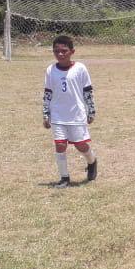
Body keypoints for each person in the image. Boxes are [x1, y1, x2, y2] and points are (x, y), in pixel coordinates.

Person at [42, 35, 98, 188]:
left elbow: (87, 91)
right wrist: (46, 113)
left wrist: (91, 111)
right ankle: (64, 178)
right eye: (56, 51)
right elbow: (48, 93)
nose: (60, 54)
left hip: (76, 115)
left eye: (64, 51)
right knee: (60, 145)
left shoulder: (80, 68)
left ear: (72, 51)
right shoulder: (50, 70)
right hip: (58, 115)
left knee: (81, 146)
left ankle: (92, 161)